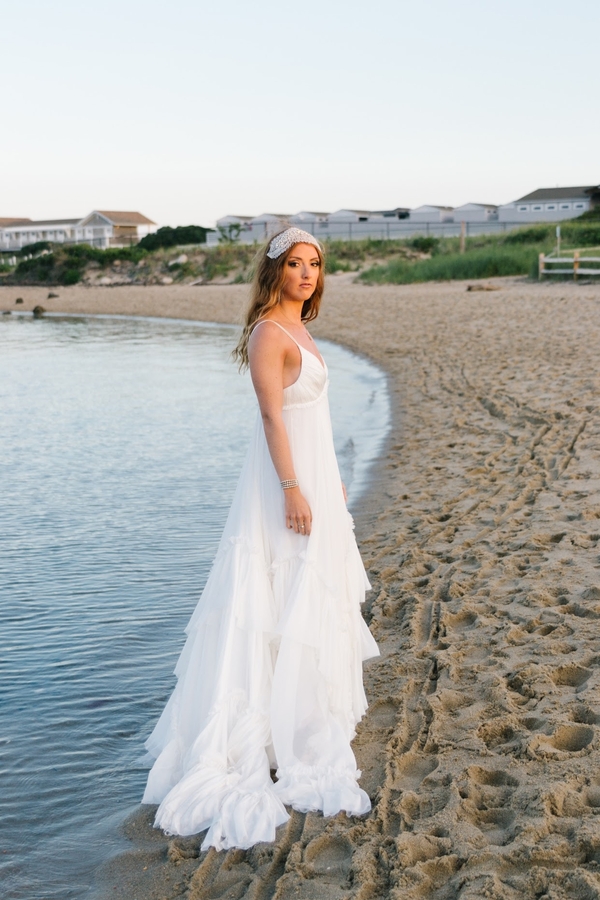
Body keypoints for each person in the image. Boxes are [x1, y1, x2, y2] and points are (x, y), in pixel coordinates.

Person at [142, 227, 379, 851]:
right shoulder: (268, 335)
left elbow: (313, 418)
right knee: (274, 598)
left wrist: (327, 485)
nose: (307, 274)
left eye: (315, 265)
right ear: (272, 273)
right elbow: (274, 417)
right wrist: (294, 487)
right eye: (295, 265)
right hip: (281, 488)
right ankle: (269, 732)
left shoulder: (302, 329)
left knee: (304, 596)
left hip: (312, 482)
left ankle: (297, 715)